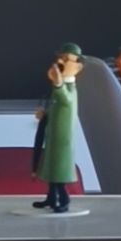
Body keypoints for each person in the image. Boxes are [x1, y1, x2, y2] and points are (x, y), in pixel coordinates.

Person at [35, 45, 84, 212]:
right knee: (52, 171)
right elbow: (58, 108)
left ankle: (64, 200)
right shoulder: (60, 88)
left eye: (66, 59)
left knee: (59, 172)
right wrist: (46, 114)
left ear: (77, 67)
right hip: (54, 137)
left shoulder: (69, 88)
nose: (60, 62)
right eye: (60, 58)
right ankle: (51, 198)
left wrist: (58, 84)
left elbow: (66, 101)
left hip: (62, 139)